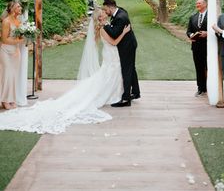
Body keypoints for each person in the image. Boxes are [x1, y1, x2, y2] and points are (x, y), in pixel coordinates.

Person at [0, 8, 130, 134]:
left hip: (111, 56)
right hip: (111, 56)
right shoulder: (102, 29)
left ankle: (114, 94)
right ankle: (110, 95)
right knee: (107, 75)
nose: (105, 14)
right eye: (103, 13)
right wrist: (124, 33)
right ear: (100, 17)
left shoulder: (104, 26)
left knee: (109, 75)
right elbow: (113, 42)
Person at [95, 0, 140, 107]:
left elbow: (114, 35)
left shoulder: (120, 17)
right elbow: (110, 2)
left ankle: (126, 99)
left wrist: (105, 24)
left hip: (127, 46)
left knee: (126, 70)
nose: (105, 12)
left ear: (110, 8)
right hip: (129, 44)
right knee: (131, 68)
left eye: (106, 10)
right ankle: (135, 92)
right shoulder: (119, 10)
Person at [0, 1, 24, 110]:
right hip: (5, 51)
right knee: (7, 75)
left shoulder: (19, 21)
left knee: (14, 76)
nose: (20, 8)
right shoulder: (6, 21)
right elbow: (4, 39)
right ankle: (4, 100)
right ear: (12, 8)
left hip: (15, 52)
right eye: (18, 6)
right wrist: (18, 41)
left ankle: (12, 98)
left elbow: (20, 37)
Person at [186, 0, 208, 97]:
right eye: (196, 3)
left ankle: (211, 88)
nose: (197, 4)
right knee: (199, 68)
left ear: (205, 4)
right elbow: (189, 31)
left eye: (199, 3)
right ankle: (201, 88)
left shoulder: (212, 16)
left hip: (208, 47)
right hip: (196, 47)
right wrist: (191, 36)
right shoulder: (193, 17)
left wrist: (207, 33)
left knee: (210, 68)